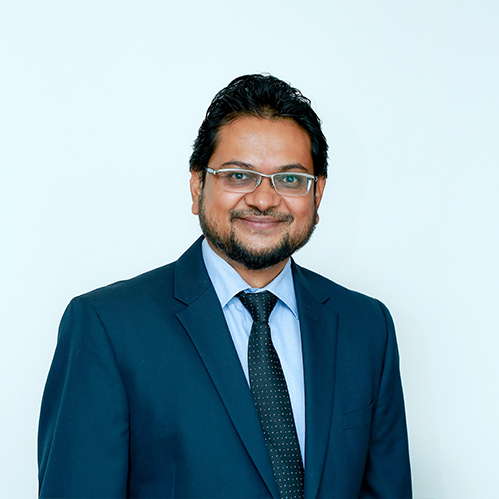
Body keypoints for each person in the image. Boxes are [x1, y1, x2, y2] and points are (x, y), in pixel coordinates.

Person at [38, 74, 412, 499]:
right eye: (238, 175)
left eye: (290, 180)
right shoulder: (108, 327)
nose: (264, 200)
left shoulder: (367, 327)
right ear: (198, 186)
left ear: (318, 193)